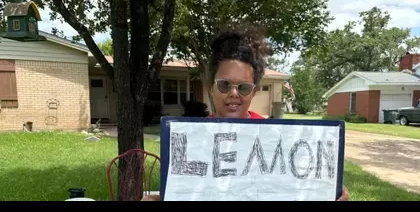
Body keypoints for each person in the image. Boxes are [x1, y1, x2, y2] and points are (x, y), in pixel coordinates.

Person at [143, 23, 349, 201]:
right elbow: (189, 190)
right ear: (210, 88)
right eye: (224, 85)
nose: (234, 94)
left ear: (254, 92)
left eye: (243, 87)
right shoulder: (193, 140)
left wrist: (325, 192)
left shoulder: (276, 139)